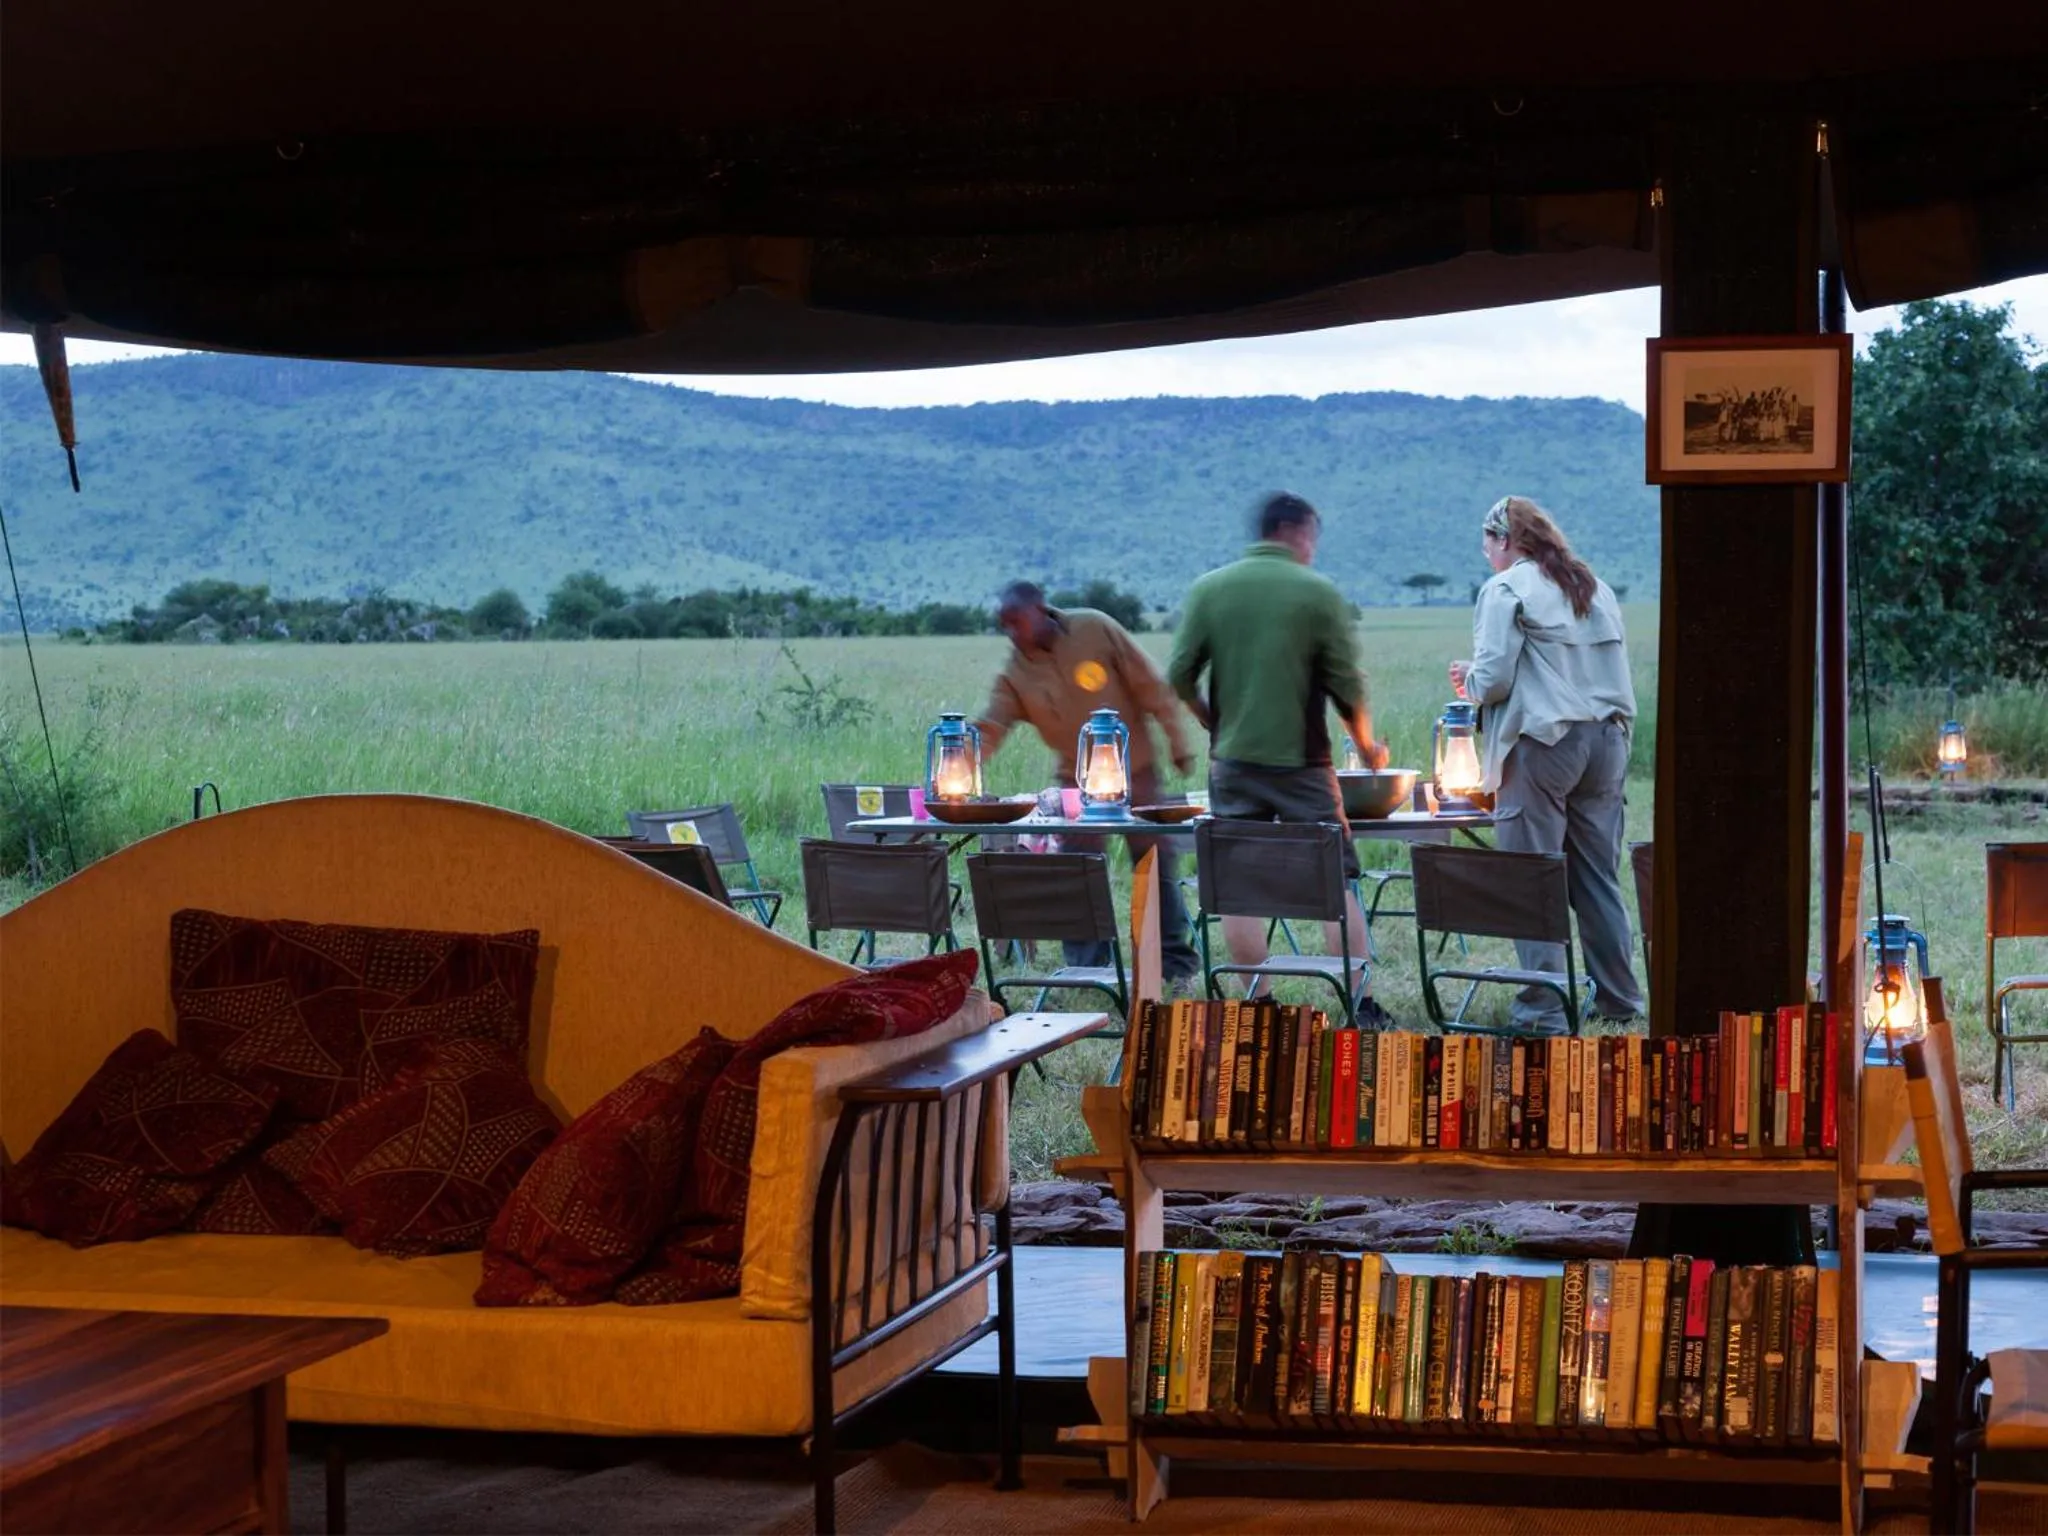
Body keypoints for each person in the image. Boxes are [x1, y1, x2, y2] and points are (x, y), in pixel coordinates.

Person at [1166, 492, 1394, 1026]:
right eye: (1313, 538)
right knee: (1335, 878)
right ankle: (1359, 1004)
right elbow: (1346, 687)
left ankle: (1258, 1004)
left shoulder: (1210, 588)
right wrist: (1367, 748)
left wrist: (1212, 721)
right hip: (1304, 765)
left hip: (1232, 763)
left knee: (1237, 885)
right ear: (1297, 532)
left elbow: (1178, 674)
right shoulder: (1317, 592)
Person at [1449, 495, 1644, 1033]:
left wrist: (1468, 678)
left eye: (1488, 543)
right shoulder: (1592, 585)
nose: (1486, 553)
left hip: (1543, 743)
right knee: (1597, 878)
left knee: (1531, 877)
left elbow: (1494, 680)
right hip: (1606, 743)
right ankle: (1619, 1001)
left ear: (1505, 540)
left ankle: (1543, 1010)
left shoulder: (1505, 588)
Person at [974, 581, 1201, 985]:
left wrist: (1179, 746)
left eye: (1017, 622)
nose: (1011, 633)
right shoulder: (1015, 673)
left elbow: (1152, 687)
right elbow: (992, 725)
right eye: (1004, 625)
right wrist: (961, 764)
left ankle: (1173, 962)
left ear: (1039, 610)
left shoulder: (1095, 629)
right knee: (1078, 867)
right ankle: (1087, 966)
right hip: (1076, 781)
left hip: (1137, 771)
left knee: (1153, 863)